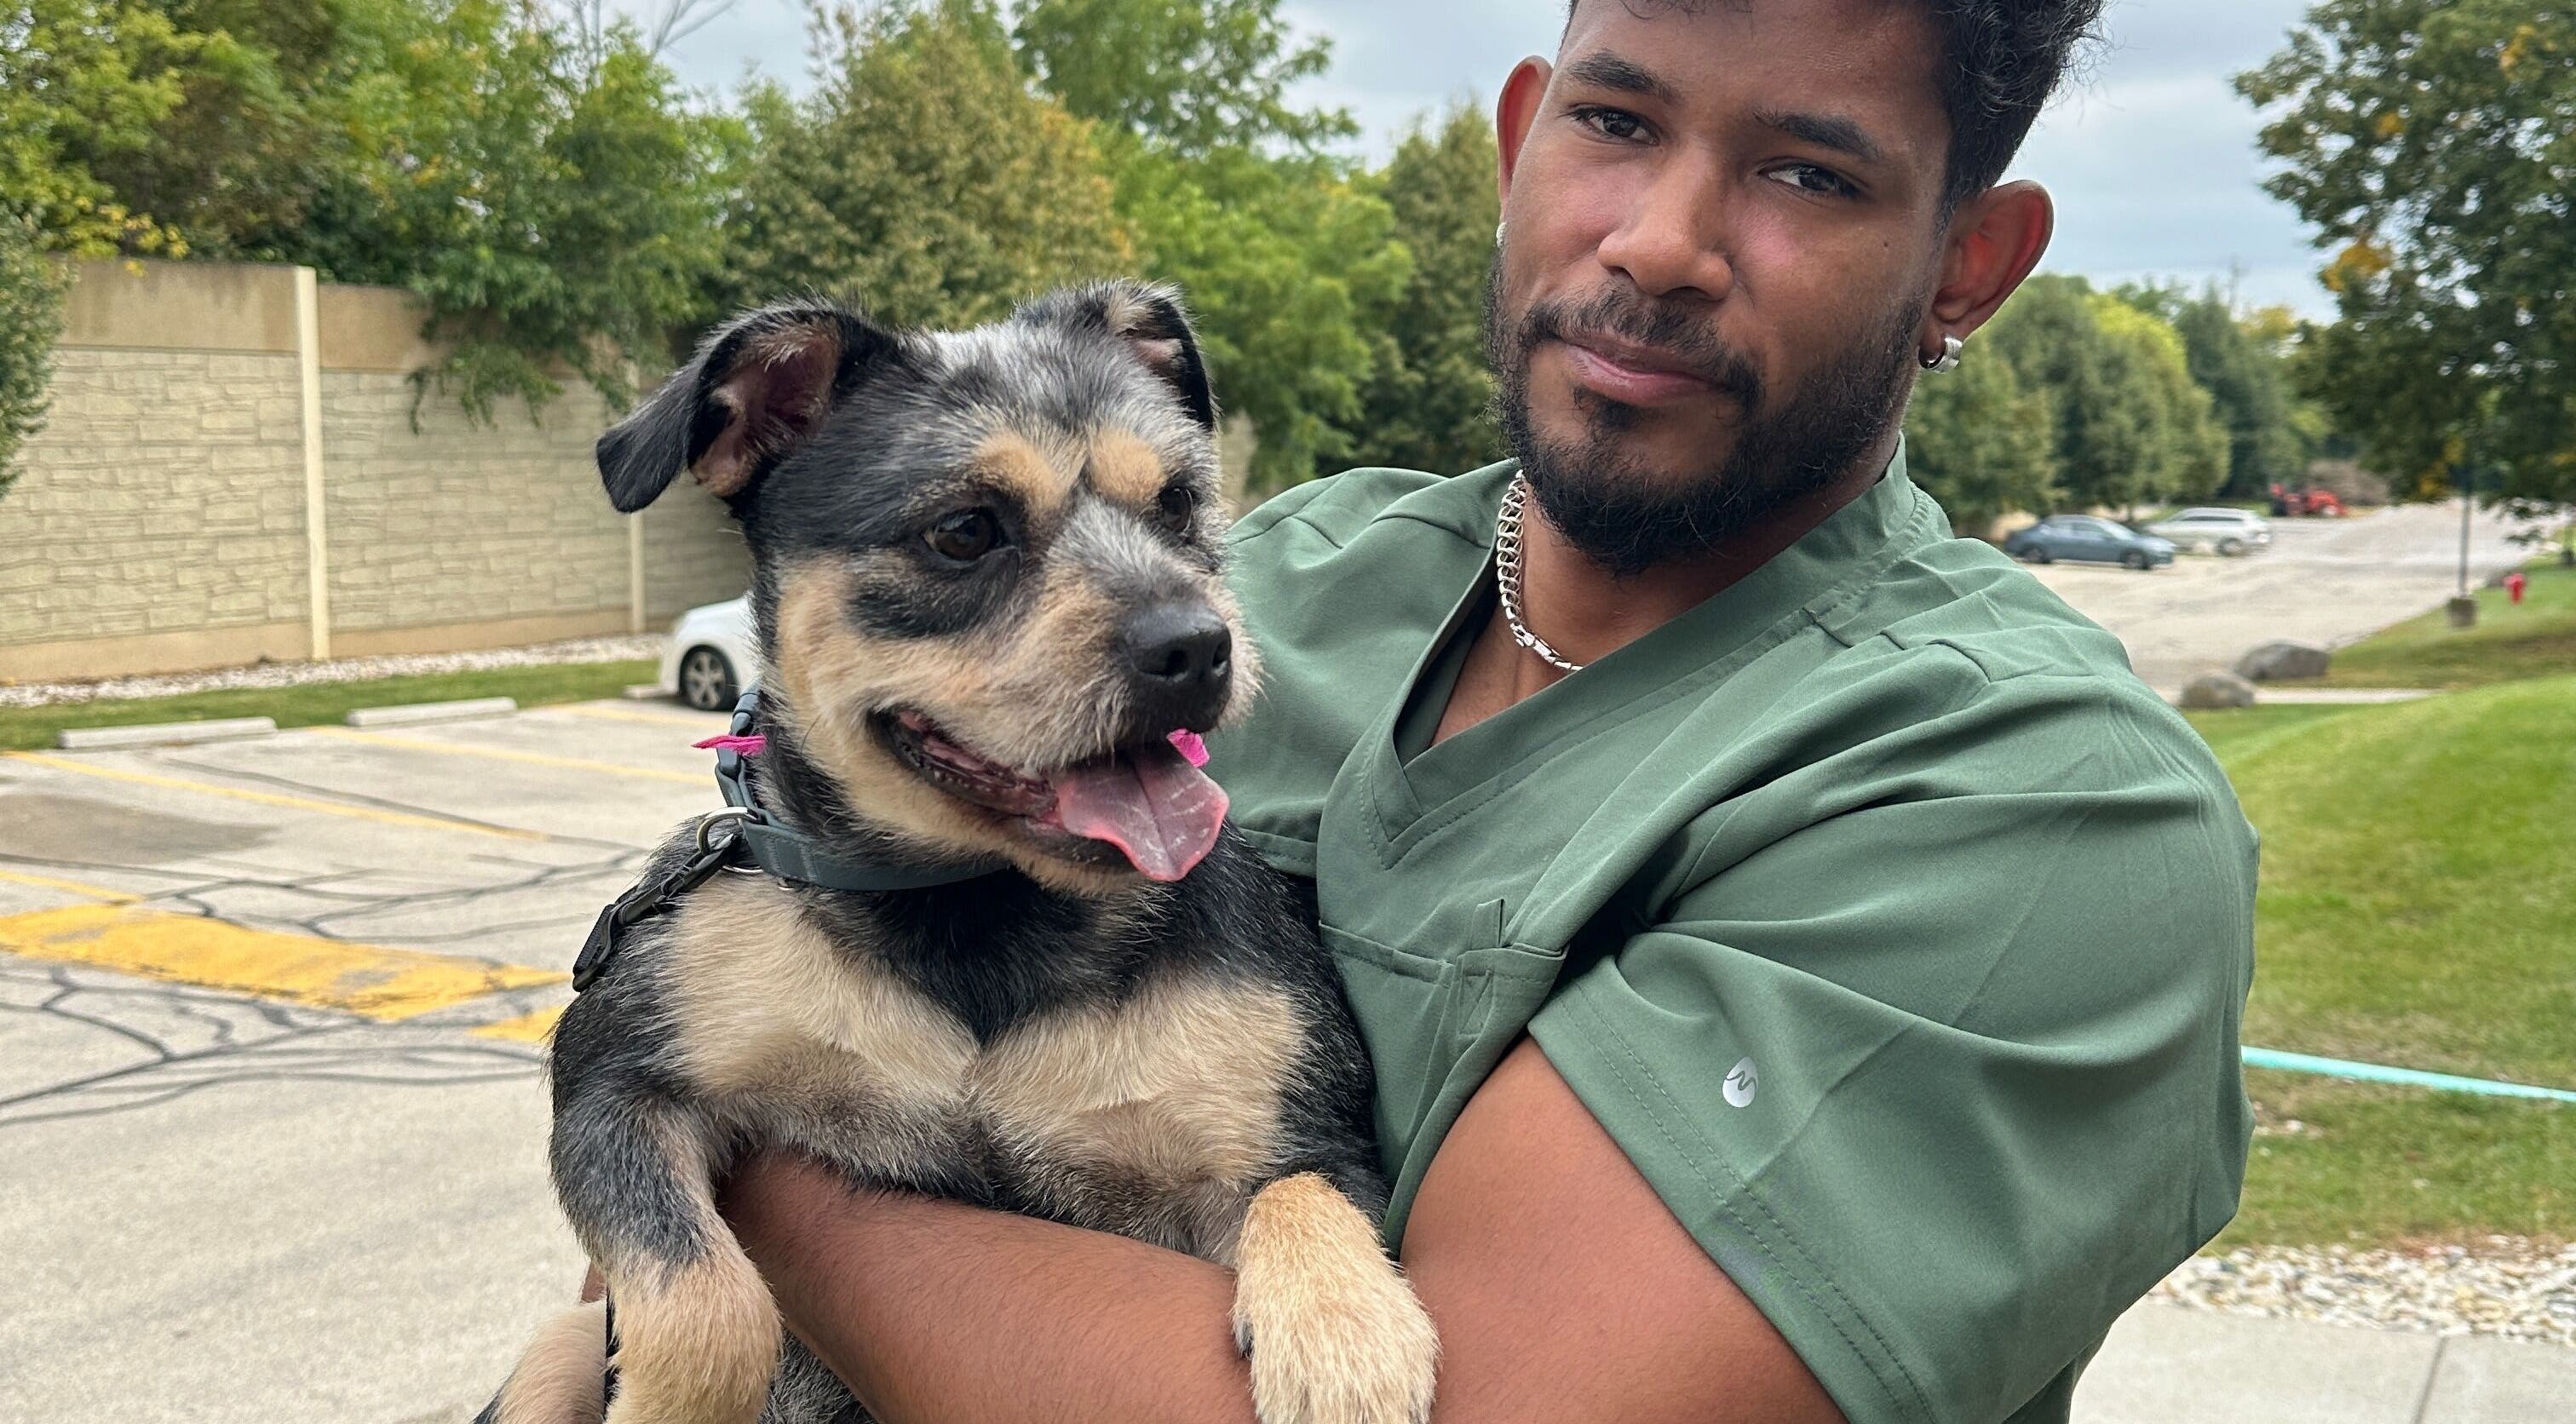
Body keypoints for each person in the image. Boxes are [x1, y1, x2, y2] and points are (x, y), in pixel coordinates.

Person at [722, 0, 2258, 1419]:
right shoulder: (1283, 582)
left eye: (1806, 173)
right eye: (1616, 123)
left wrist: (749, 1173)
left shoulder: (2033, 805)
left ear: (1966, 264)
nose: (1659, 244)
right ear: (1519, 141)